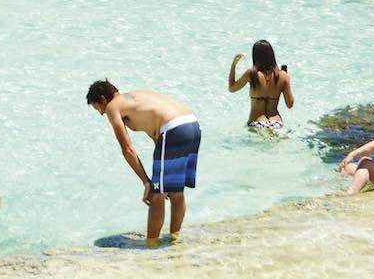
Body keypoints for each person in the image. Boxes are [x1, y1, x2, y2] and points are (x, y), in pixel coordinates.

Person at [85, 80, 201, 248]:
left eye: (99, 109)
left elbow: (127, 149)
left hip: (173, 130)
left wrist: (147, 182)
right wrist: (160, 176)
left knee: (156, 194)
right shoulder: (139, 96)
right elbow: (157, 134)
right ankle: (174, 239)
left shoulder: (113, 107)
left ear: (103, 99)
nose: (102, 113)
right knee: (175, 191)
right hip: (192, 125)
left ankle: (151, 245)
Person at [227, 40, 294, 130]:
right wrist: (287, 79)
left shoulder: (251, 73)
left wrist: (233, 65)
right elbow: (290, 104)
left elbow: (231, 88)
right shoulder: (282, 75)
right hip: (276, 122)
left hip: (257, 122)